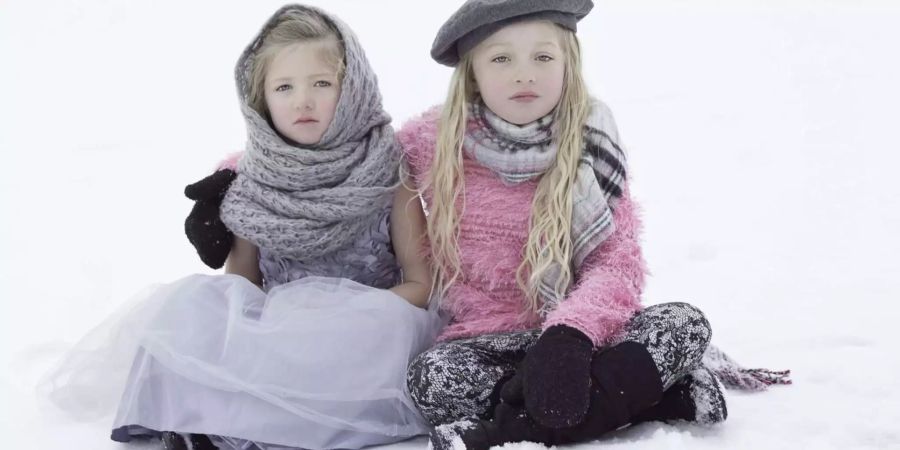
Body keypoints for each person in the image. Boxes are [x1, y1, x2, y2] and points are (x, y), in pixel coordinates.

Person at [41, 5, 442, 449]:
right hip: (286, 335)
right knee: (194, 302)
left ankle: (258, 427)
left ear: (354, 91)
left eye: (322, 84)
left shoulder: (388, 172)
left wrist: (351, 314)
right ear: (260, 99)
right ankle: (202, 418)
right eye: (284, 87)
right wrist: (277, 326)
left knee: (383, 327)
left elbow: (421, 282)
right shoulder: (251, 182)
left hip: (364, 337)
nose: (302, 101)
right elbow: (240, 288)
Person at [395, 1, 789, 448]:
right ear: (472, 73)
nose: (524, 74)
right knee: (433, 380)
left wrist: (569, 337)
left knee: (684, 324)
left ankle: (504, 431)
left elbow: (616, 263)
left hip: (586, 333)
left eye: (542, 57)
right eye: (501, 58)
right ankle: (658, 398)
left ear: (568, 63)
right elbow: (355, 161)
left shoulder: (591, 139)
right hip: (489, 339)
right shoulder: (431, 142)